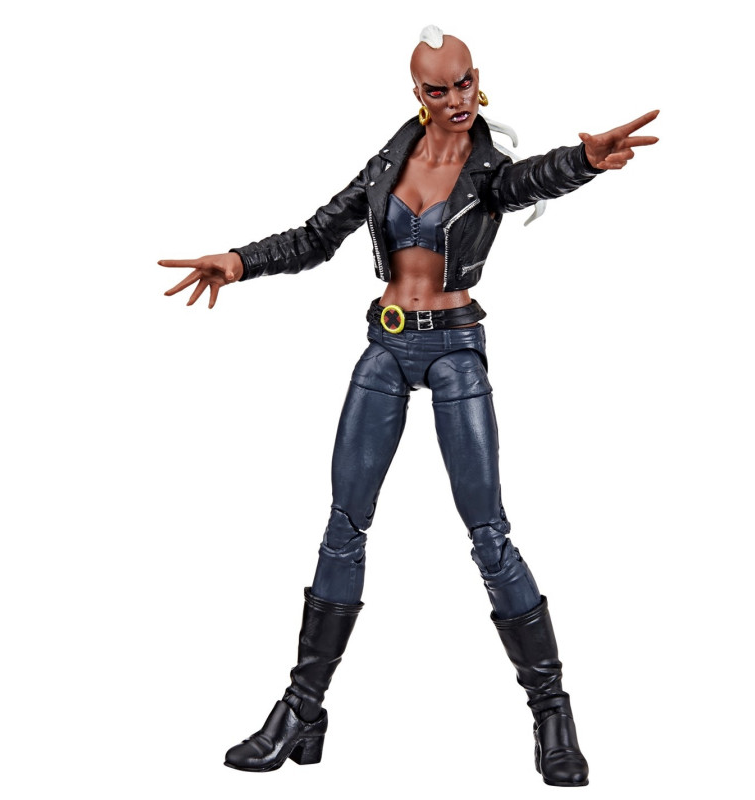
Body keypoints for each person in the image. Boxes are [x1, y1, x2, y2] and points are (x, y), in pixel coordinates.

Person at [159, 25, 658, 787]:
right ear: (417, 93)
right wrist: (240, 261)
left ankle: (552, 713)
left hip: (455, 347)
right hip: (386, 343)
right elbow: (317, 235)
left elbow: (531, 181)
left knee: (489, 536)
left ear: (478, 79)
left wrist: (585, 162)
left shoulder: (489, 169)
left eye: (464, 83)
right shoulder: (388, 163)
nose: (455, 99)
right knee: (342, 528)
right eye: (437, 88)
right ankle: (301, 709)